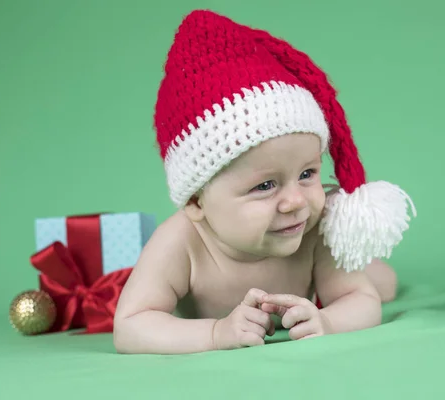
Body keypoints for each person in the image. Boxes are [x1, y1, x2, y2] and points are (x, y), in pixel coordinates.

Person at [113, 9, 416, 355]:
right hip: (210, 316)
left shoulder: (313, 229)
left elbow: (360, 301)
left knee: (378, 285)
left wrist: (329, 321)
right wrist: (214, 333)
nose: (296, 202)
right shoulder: (181, 243)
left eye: (307, 174)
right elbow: (130, 325)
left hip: (318, 291)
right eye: (265, 186)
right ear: (197, 203)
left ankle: (375, 270)